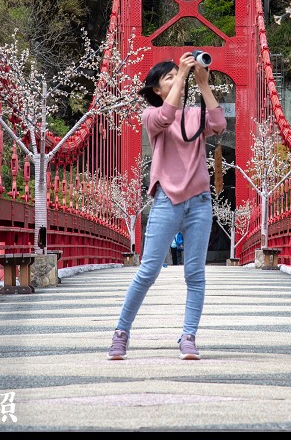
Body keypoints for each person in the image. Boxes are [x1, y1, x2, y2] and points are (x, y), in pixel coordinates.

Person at [107, 52, 225, 361]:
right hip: (167, 201)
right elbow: (165, 117)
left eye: (178, 74)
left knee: (195, 274)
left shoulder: (193, 114)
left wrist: (204, 85)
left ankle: (188, 337)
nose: (177, 78)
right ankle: (121, 333)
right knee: (147, 271)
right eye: (169, 77)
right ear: (157, 90)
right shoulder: (151, 114)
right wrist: (183, 78)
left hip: (199, 201)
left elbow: (219, 123)